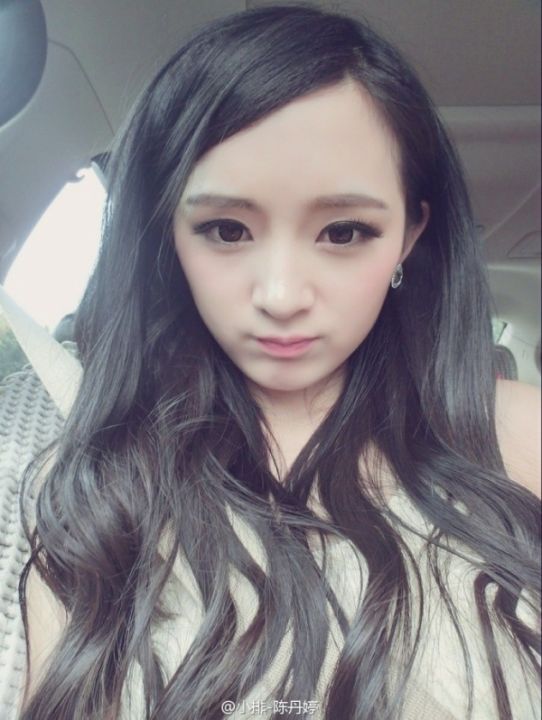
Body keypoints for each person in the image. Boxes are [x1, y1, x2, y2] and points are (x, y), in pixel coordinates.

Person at [3, 3, 540, 719]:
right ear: (167, 234)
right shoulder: (93, 475)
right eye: (226, 229)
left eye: (344, 232)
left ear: (410, 235)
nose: (281, 297)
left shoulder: (522, 437)